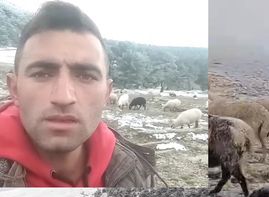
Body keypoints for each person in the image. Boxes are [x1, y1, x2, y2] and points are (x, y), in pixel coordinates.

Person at [0, 1, 164, 187]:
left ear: (106, 94)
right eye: (42, 74)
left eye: (86, 76)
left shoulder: (136, 171)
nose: (63, 97)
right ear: (14, 89)